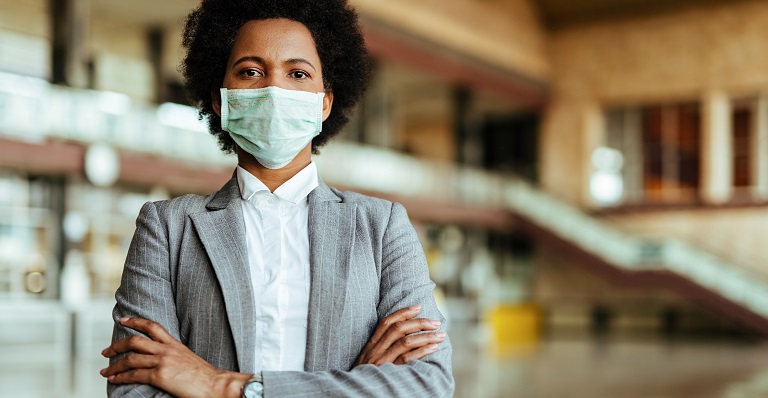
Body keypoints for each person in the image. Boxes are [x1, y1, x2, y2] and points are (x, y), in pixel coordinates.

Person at [98, 0, 454, 397]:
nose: (274, 89)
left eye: (298, 73)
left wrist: (225, 386)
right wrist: (357, 382)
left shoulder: (382, 226)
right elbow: (134, 391)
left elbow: (428, 383)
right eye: (251, 72)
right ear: (221, 100)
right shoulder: (167, 228)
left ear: (324, 103)